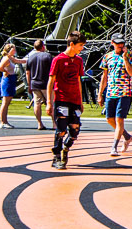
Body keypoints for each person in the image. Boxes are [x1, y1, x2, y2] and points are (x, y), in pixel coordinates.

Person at [46, 31, 87, 170]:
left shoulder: (79, 61)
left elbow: (78, 80)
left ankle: (66, 148)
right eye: (80, 45)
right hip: (61, 98)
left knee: (75, 129)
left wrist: (81, 101)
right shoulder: (58, 59)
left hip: (74, 99)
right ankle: (56, 156)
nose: (82, 48)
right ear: (72, 44)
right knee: (61, 129)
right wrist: (49, 102)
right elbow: (51, 81)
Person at [98, 33, 132, 157]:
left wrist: (125, 58)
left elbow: (131, 73)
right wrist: (100, 94)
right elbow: (104, 77)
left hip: (124, 92)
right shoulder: (107, 57)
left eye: (122, 43)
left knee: (119, 119)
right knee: (110, 119)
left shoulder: (130, 55)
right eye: (118, 43)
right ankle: (127, 136)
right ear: (112, 43)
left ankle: (114, 146)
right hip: (110, 92)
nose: (121, 45)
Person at [0, 43, 28, 129]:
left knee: (7, 102)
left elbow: (19, 61)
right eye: (13, 49)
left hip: (11, 78)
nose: (14, 51)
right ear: (9, 50)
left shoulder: (11, 58)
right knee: (5, 102)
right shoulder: (6, 58)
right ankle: (3, 121)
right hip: (8, 79)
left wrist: (30, 60)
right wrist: (6, 72)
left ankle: (5, 121)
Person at [26, 39, 53, 130]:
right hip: (45, 82)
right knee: (51, 102)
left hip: (34, 83)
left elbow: (28, 73)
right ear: (43, 46)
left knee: (37, 103)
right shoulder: (48, 56)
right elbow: (52, 70)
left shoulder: (30, 57)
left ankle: (39, 123)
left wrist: (29, 85)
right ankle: (54, 123)